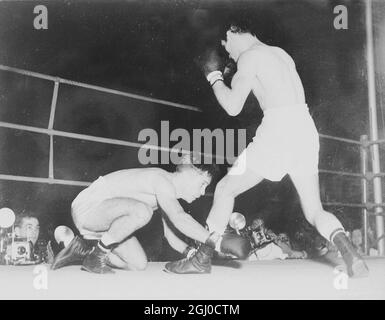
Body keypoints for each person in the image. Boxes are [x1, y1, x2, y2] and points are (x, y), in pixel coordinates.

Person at [165, 21, 369, 277]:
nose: (229, 54)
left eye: (226, 47)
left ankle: (201, 258)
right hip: (306, 129)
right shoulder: (281, 54)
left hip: (278, 129)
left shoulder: (250, 57)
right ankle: (350, 252)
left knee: (226, 188)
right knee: (314, 210)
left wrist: (214, 77)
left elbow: (232, 107)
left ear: (231, 32)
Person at [51, 154, 251, 273]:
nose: (201, 193)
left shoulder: (166, 196)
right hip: (89, 207)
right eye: (202, 185)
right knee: (142, 211)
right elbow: (179, 217)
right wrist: (217, 241)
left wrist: (194, 254)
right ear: (190, 172)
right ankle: (97, 256)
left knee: (137, 264)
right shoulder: (160, 179)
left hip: (106, 223)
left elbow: (171, 237)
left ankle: (83, 250)